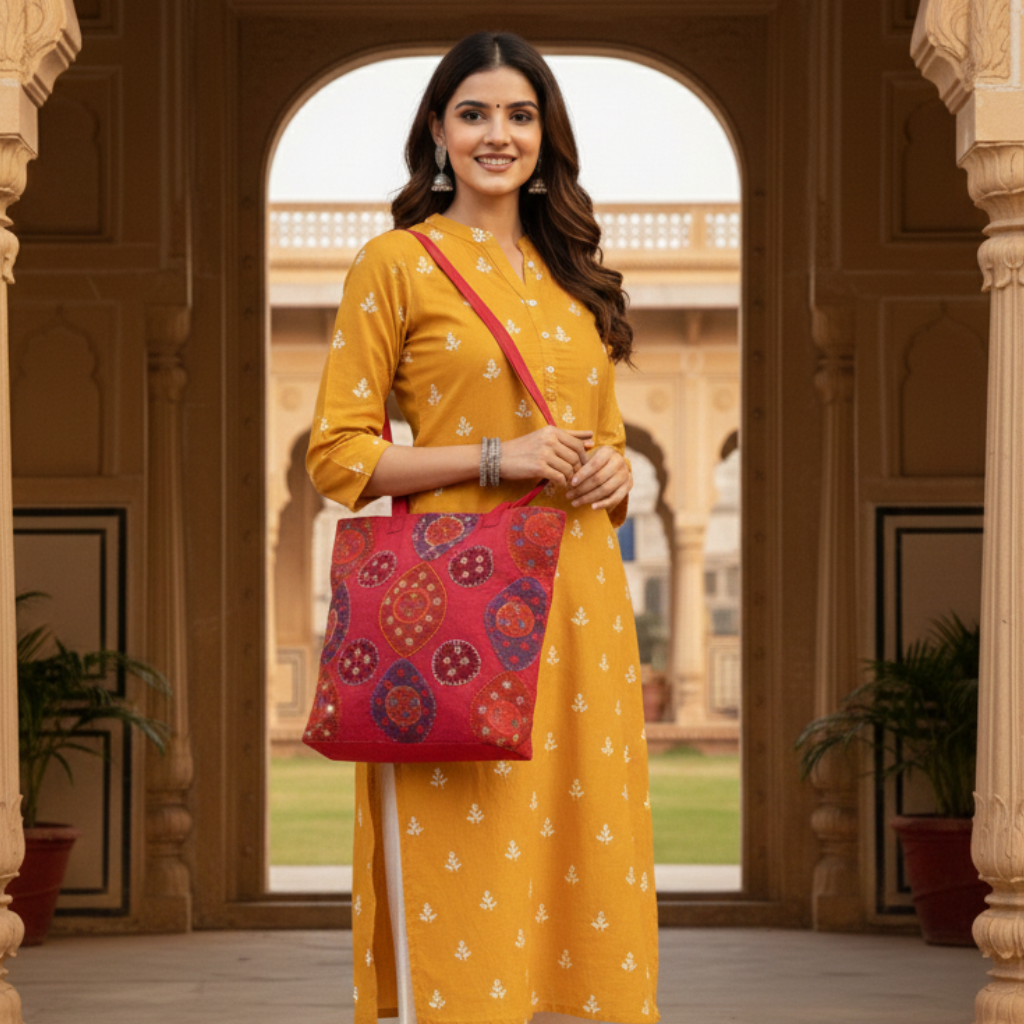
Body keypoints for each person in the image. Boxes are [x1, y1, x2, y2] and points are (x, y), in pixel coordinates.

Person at [307, 30, 659, 1024]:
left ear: (547, 135)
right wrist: (498, 458)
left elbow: (610, 451)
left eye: (518, 114)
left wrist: (613, 468)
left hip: (582, 611)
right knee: (460, 869)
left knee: (585, 864)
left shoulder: (571, 279)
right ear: (436, 131)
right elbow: (338, 457)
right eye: (473, 113)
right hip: (460, 612)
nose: (495, 135)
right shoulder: (397, 264)